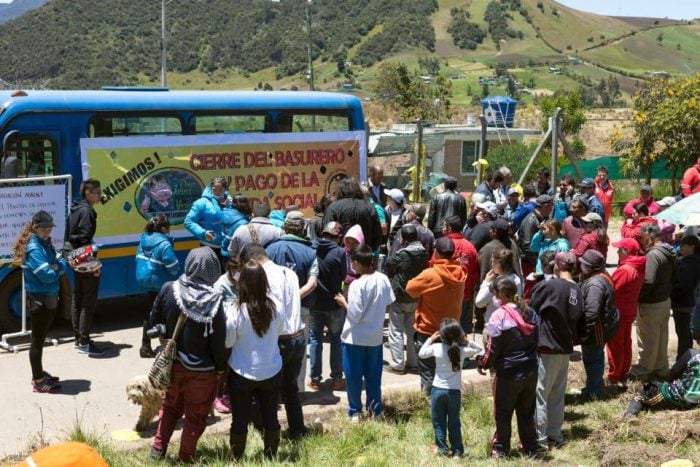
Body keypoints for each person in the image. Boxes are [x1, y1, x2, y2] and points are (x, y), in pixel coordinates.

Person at [149, 247, 227, 463]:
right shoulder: (215, 299)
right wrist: (221, 369)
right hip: (203, 371)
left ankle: (157, 452)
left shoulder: (168, 289)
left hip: (173, 365)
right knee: (196, 415)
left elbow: (153, 320)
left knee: (170, 408)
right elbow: (218, 340)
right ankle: (186, 457)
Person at [240, 244, 310, 439]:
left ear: (251, 261)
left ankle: (266, 431)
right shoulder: (289, 273)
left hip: (280, 340)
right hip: (298, 337)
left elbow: (269, 313)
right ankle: (297, 430)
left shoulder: (265, 277)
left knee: (264, 391)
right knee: (290, 390)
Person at [225, 260, 285, 461]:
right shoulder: (275, 307)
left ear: (242, 283)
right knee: (271, 416)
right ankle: (271, 456)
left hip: (241, 372)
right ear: (263, 282)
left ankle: (237, 458)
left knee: (239, 419)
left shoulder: (236, 311)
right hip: (271, 370)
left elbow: (228, 341)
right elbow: (280, 331)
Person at [478, 276, 540, 459]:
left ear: (502, 294)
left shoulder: (499, 316)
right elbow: (536, 339)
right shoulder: (529, 312)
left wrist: (482, 363)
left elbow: (492, 350)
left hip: (508, 374)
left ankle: (501, 449)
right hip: (530, 370)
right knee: (526, 412)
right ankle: (530, 449)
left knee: (503, 413)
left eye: (495, 295)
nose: (495, 299)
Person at [334, 245, 395, 421]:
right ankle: (376, 410)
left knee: (353, 378)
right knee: (373, 377)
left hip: (355, 338)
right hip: (375, 337)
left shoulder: (357, 285)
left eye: (353, 261)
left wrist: (342, 302)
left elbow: (354, 315)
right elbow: (390, 302)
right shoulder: (383, 279)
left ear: (359, 262)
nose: (352, 264)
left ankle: (355, 411)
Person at [529, 252, 582, 452]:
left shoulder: (549, 286)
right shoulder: (577, 289)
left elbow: (531, 309)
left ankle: (540, 440)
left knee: (540, 394)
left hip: (547, 346)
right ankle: (555, 434)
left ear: (557, 267)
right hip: (565, 347)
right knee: (557, 394)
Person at [13, 211, 67, 393]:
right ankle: (38, 381)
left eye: (49, 229)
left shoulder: (45, 243)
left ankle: (39, 373)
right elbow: (47, 276)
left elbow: (62, 263)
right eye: (44, 229)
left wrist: (57, 266)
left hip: (48, 296)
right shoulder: (35, 248)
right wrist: (56, 269)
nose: (47, 232)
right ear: (35, 228)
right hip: (39, 298)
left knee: (42, 338)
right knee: (37, 341)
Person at [407, 237, 466, 394]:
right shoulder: (460, 272)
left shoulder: (430, 274)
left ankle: (430, 407)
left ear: (435, 253)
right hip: (452, 331)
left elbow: (410, 288)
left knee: (428, 373)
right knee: (450, 371)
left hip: (429, 332)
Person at [418, 318, 481, 457]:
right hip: (454, 393)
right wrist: (466, 340)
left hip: (437, 390)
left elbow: (421, 353)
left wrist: (430, 339)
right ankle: (457, 451)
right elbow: (479, 348)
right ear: (459, 335)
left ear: (442, 335)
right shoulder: (461, 350)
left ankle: (442, 449)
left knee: (439, 422)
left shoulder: (437, 348)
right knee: (454, 422)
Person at [631, 224, 677, 380]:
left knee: (648, 339)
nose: (641, 242)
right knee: (661, 337)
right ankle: (661, 369)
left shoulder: (653, 255)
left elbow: (648, 281)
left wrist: (639, 297)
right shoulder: (669, 251)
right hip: (664, 301)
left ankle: (642, 370)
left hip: (650, 304)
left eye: (643, 238)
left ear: (650, 237)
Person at [308, 222, 347, 390]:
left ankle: (315, 379)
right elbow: (344, 275)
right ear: (337, 237)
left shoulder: (310, 248)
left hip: (314, 302)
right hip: (334, 302)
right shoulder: (339, 252)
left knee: (315, 339)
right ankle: (337, 378)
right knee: (336, 339)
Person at [385, 224, 428, 374]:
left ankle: (397, 365)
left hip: (400, 296)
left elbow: (389, 265)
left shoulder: (402, 254)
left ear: (403, 238)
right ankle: (413, 363)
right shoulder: (424, 253)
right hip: (416, 297)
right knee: (411, 331)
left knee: (395, 330)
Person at [68, 178, 104, 356]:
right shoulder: (87, 211)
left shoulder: (75, 208)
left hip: (74, 257)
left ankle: (78, 338)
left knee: (78, 297)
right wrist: (92, 259)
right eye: (97, 192)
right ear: (87, 193)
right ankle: (84, 341)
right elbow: (83, 237)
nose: (100, 195)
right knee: (88, 301)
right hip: (84, 260)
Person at [135, 214, 180, 358]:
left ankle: (145, 345)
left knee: (149, 313)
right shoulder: (164, 244)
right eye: (168, 227)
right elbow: (173, 268)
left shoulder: (143, 240)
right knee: (166, 314)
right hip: (159, 282)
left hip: (143, 279)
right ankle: (167, 348)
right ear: (163, 228)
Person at [577, 250, 617, 401]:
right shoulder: (601, 276)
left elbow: (592, 312)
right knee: (595, 358)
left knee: (593, 360)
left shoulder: (595, 284)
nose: (581, 265)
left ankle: (593, 393)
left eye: (584, 264)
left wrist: (585, 331)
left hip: (596, 329)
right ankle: (595, 387)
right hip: (599, 327)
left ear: (591, 267)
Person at [606, 238, 646, 386]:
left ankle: (614, 376)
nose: (617, 251)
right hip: (629, 310)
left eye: (619, 249)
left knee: (615, 345)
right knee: (625, 343)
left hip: (618, 312)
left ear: (627, 251)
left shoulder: (624, 270)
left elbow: (611, 290)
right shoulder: (639, 265)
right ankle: (623, 372)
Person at [624, 349, 700, 418]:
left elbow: (671, 375)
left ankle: (630, 416)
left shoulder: (692, 354)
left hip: (675, 399)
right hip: (695, 404)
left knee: (641, 393)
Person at [441, 216, 479, 335]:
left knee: (445, 327)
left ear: (449, 228)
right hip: (465, 293)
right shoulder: (470, 247)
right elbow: (475, 271)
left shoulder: (442, 244)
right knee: (461, 328)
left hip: (446, 293)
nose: (442, 228)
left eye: (444, 226)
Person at [184, 176, 231, 271]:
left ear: (225, 189)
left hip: (227, 247)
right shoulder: (201, 203)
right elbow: (188, 221)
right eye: (215, 190)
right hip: (209, 246)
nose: (217, 192)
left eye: (220, 190)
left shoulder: (230, 202)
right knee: (210, 276)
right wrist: (203, 233)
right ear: (211, 188)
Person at [323, 178, 382, 252]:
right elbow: (377, 237)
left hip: (339, 258)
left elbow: (326, 236)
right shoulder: (370, 207)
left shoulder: (333, 208)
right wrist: (367, 253)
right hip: (363, 258)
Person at [475, 248, 523, 338]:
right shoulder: (516, 279)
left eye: (493, 262)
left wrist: (486, 282)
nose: (491, 264)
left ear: (500, 263)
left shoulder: (496, 283)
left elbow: (479, 302)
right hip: (511, 326)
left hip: (493, 328)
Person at [212, 257, 239, 414]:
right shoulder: (220, 286)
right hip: (223, 334)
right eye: (237, 272)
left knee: (233, 366)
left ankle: (228, 393)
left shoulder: (243, 282)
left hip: (238, 333)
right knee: (221, 368)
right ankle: (218, 396)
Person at [670, 234, 700, 360]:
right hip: (687, 302)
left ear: (692, 246)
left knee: (683, 335)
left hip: (684, 303)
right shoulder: (690, 260)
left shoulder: (691, 263)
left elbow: (683, 284)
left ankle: (682, 362)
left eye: (683, 245)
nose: (680, 247)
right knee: (685, 334)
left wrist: (671, 293)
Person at [517, 194, 554, 296]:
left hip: (539, 261)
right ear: (545, 206)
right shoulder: (530, 220)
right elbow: (527, 245)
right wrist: (536, 264)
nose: (552, 208)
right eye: (551, 205)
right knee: (531, 289)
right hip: (530, 262)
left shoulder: (543, 218)